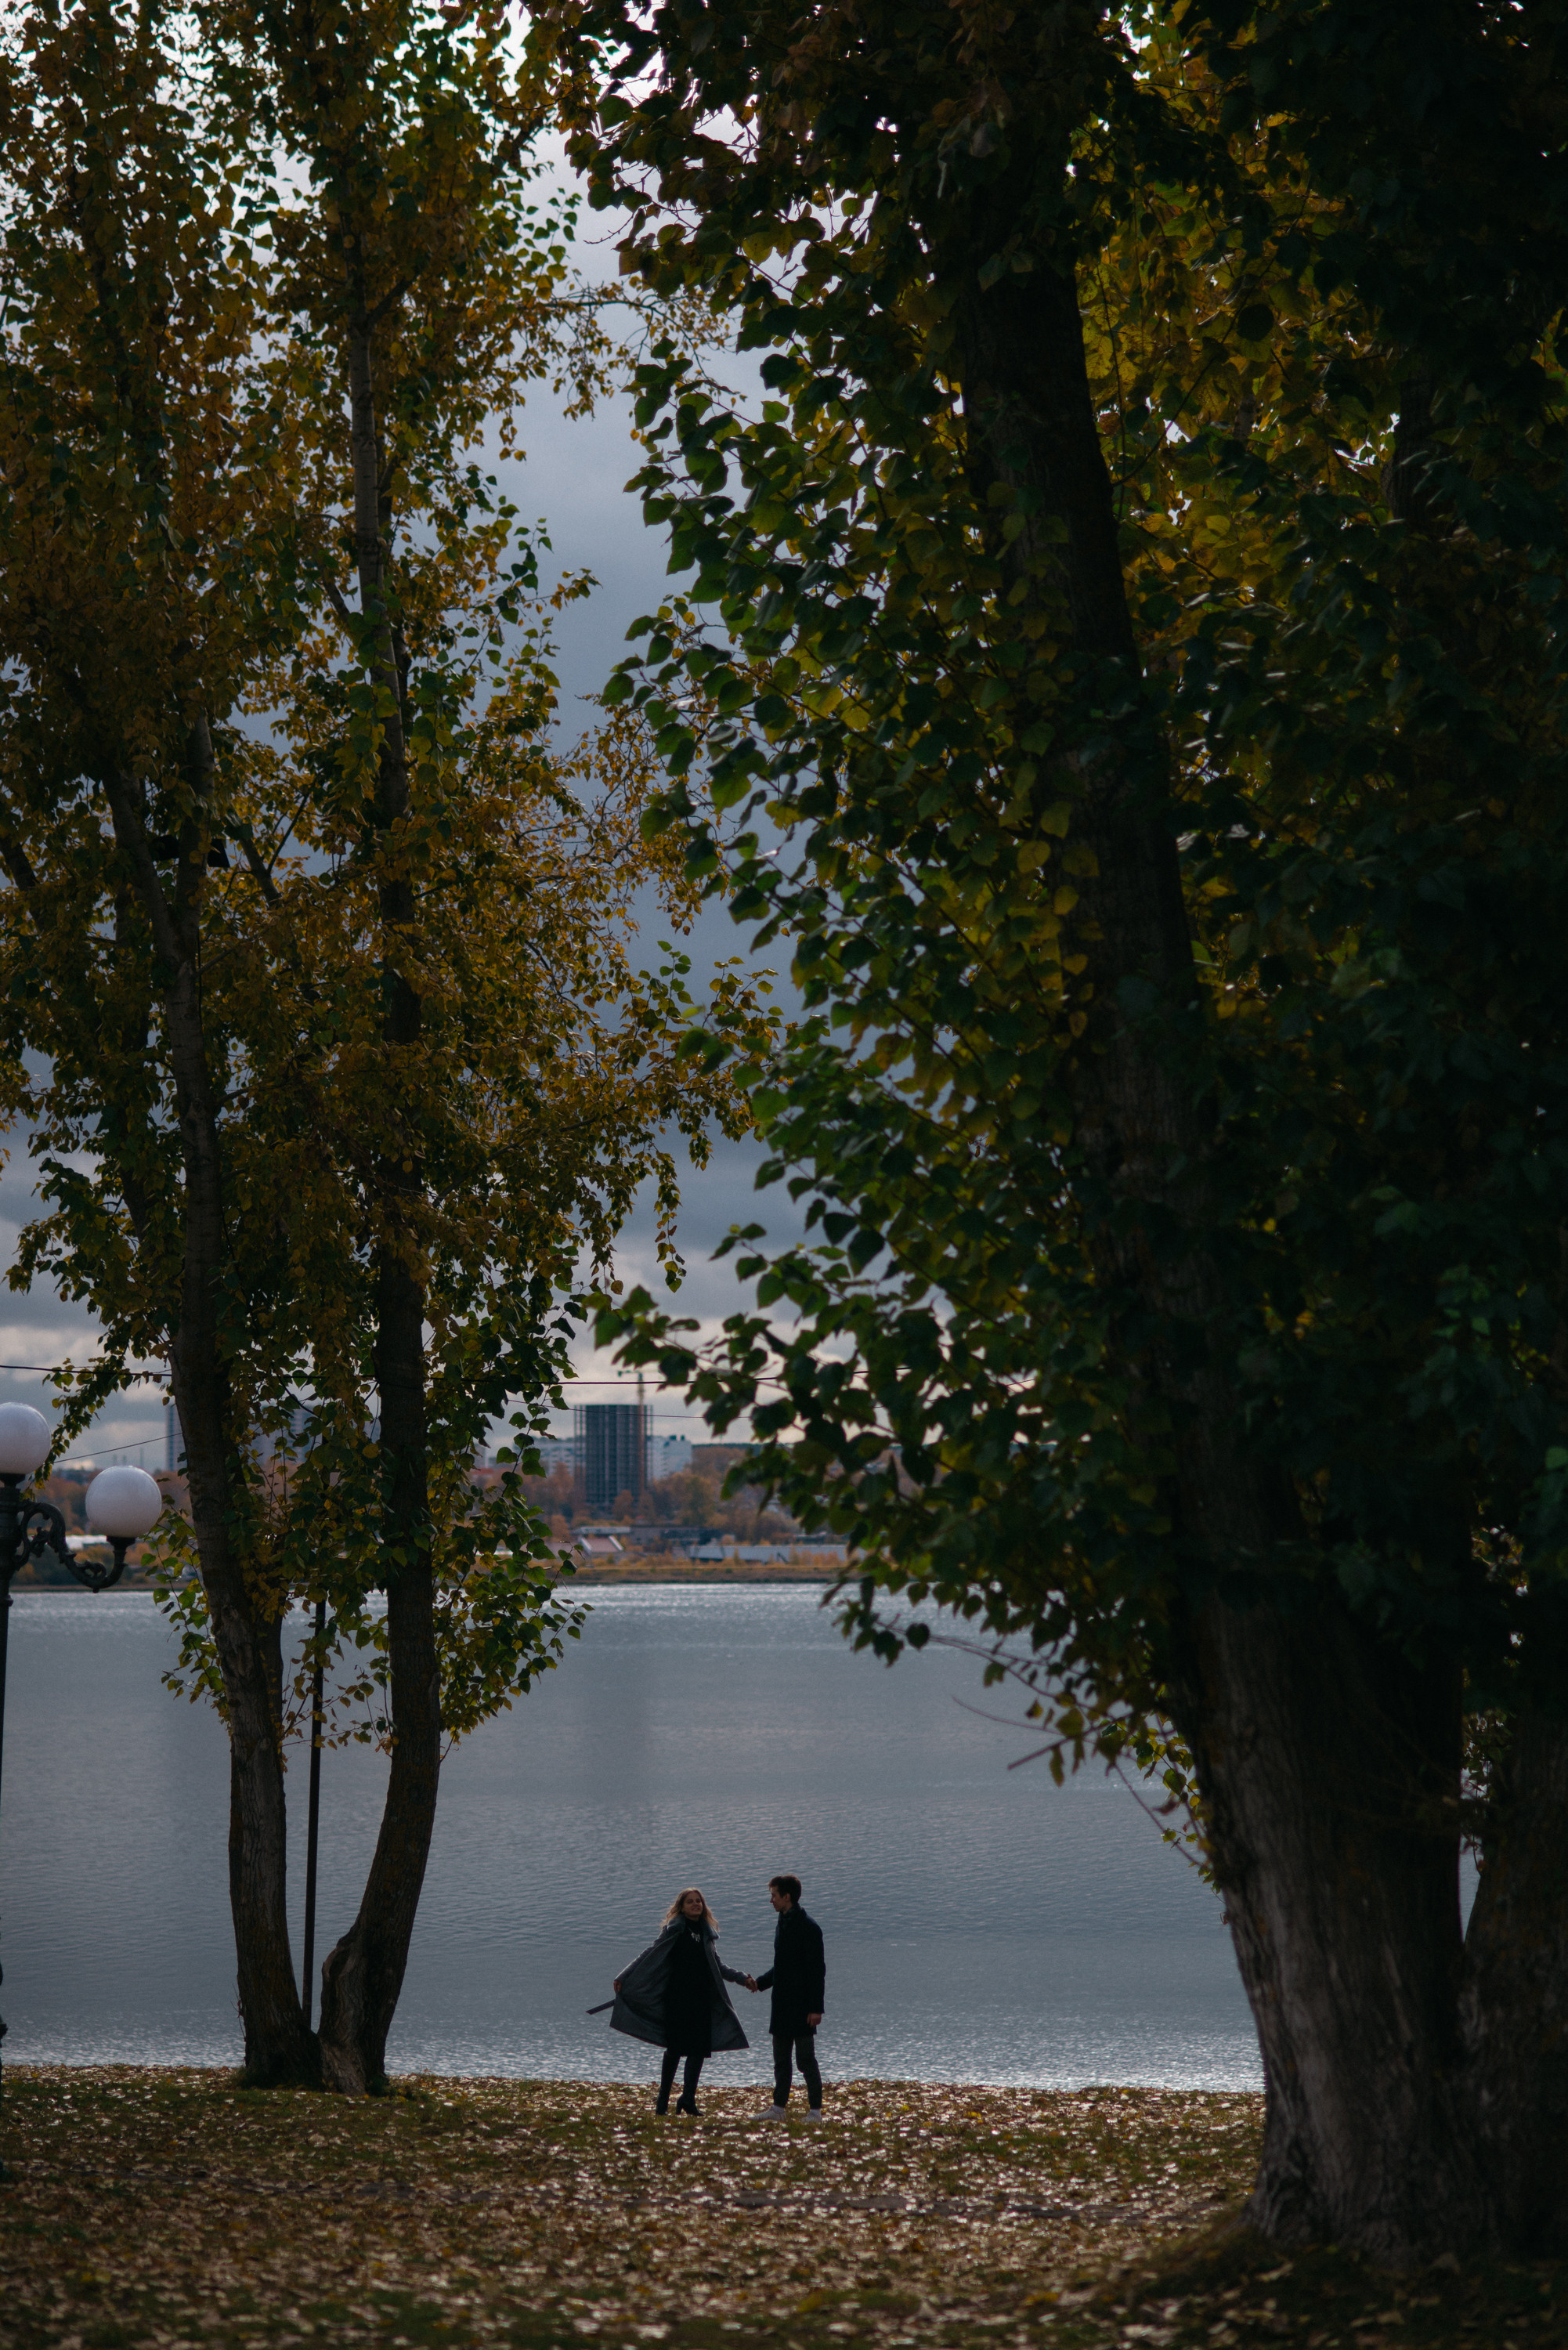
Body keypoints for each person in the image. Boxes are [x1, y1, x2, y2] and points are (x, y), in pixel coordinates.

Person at [609, 1887, 750, 2115]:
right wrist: (624, 1975)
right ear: (681, 1908)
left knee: (698, 2050)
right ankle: (662, 2100)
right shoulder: (675, 1929)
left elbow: (719, 1967)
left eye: (698, 1901)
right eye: (690, 1902)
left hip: (702, 1999)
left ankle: (687, 2099)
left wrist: (743, 1979)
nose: (695, 1904)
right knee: (674, 2049)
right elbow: (650, 1952)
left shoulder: (706, 1933)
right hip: (677, 1999)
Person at [745, 1872, 827, 2124]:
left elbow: (817, 1971)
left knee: (805, 2061)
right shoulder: (782, 1921)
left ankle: (815, 2112)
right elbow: (782, 1967)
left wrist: (816, 2009)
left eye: (774, 1896)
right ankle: (778, 2109)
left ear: (787, 1896)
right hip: (781, 2004)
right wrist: (760, 1983)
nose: (771, 1900)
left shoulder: (809, 1927)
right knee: (781, 2061)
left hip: (802, 2006)